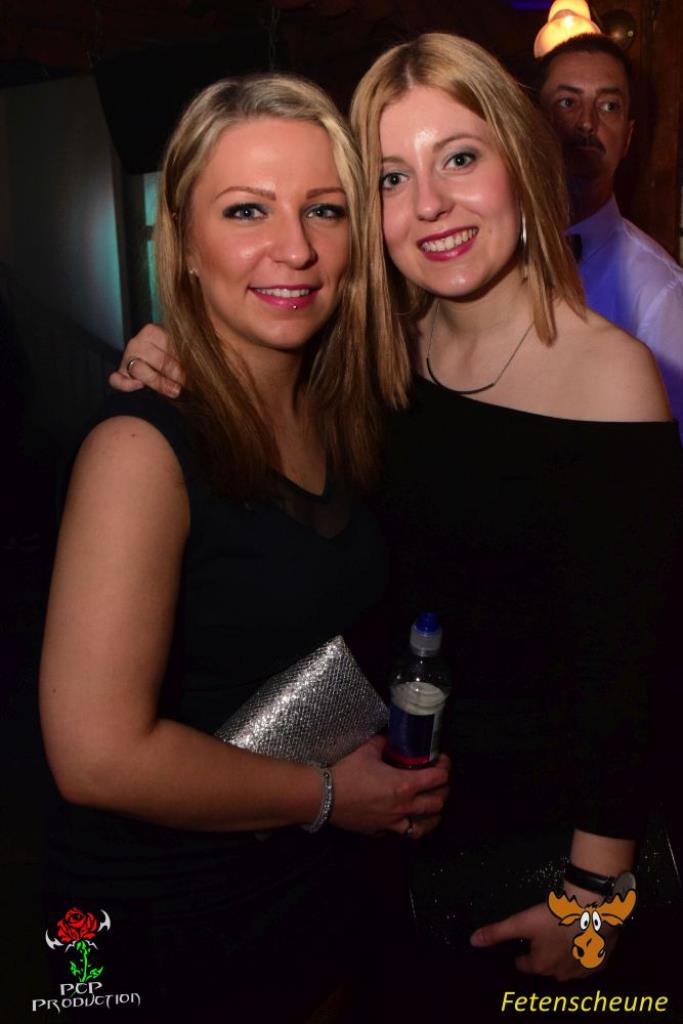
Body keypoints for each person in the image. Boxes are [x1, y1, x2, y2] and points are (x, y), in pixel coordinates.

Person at [113, 33, 682, 1017]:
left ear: (519, 161)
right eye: (388, 177)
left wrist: (595, 895)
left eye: (458, 157)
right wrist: (172, 349)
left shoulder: (610, 376)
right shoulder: (377, 360)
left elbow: (630, 672)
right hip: (385, 818)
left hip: (541, 845)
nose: (428, 204)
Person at [39, 73, 450, 1024]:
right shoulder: (140, 450)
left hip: (304, 892)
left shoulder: (343, 410)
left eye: (324, 210)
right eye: (245, 210)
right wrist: (325, 796)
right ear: (183, 244)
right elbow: (95, 756)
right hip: (170, 922)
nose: (294, 248)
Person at [536, 33, 683, 436]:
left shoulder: (660, 295)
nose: (587, 122)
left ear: (628, 139)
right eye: (567, 102)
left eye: (609, 106)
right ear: (532, 122)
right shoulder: (488, 251)